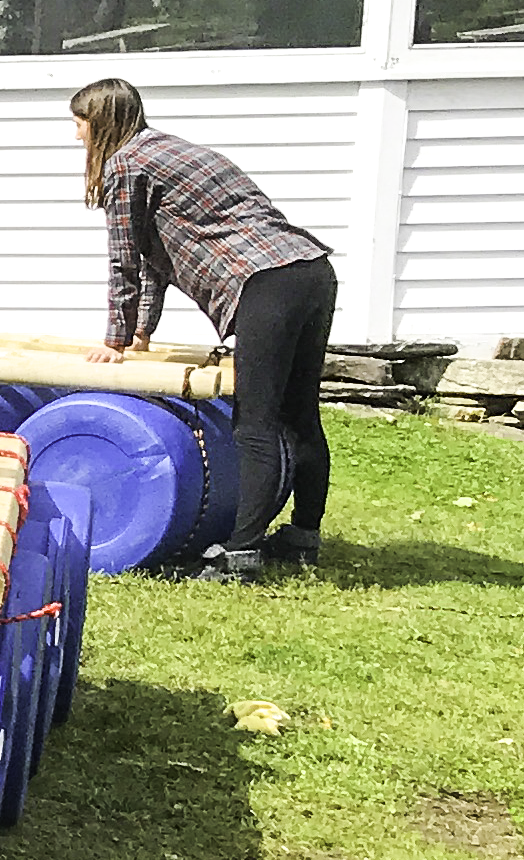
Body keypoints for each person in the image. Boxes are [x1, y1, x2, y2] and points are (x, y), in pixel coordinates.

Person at [73, 79, 336, 577]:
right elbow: (156, 261)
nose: (75, 136)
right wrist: (140, 334)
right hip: (312, 271)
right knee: (299, 413)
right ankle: (303, 537)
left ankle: (240, 555)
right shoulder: (173, 151)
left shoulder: (125, 164)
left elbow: (124, 259)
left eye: (79, 124)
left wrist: (114, 340)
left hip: (266, 282)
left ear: (100, 122)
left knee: (254, 421)